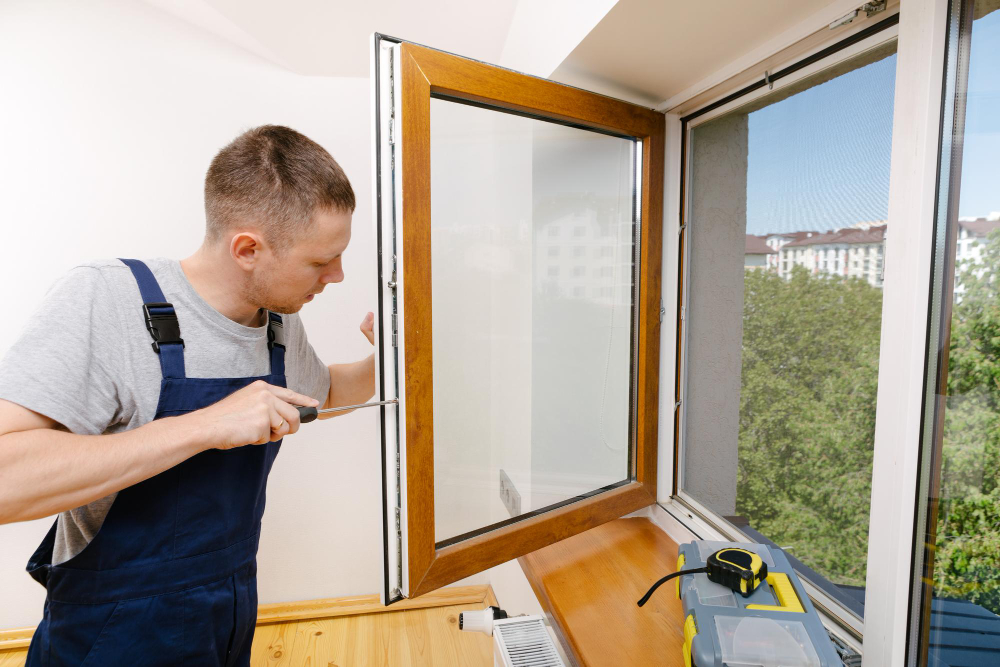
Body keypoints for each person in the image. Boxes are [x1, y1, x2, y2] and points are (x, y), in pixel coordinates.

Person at [0, 125, 374, 666]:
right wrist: (206, 425)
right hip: (112, 634)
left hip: (226, 616)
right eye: (321, 261)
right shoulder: (107, 299)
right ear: (248, 248)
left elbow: (324, 391)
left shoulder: (276, 326)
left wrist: (390, 360)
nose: (337, 276)